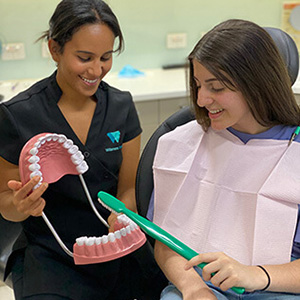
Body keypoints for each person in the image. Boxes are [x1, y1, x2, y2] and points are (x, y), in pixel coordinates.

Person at [0, 0, 165, 299]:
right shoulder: (17, 115)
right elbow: (5, 203)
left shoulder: (121, 106)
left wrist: (121, 214)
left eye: (105, 57)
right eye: (84, 57)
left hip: (116, 247)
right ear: (54, 49)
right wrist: (20, 205)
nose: (96, 69)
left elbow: (128, 189)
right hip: (52, 257)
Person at [151, 19, 300, 299]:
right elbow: (165, 241)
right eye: (197, 85)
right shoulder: (180, 145)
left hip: (281, 288)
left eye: (216, 87)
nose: (202, 99)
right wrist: (193, 289)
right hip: (199, 286)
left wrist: (256, 274)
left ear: (258, 85)